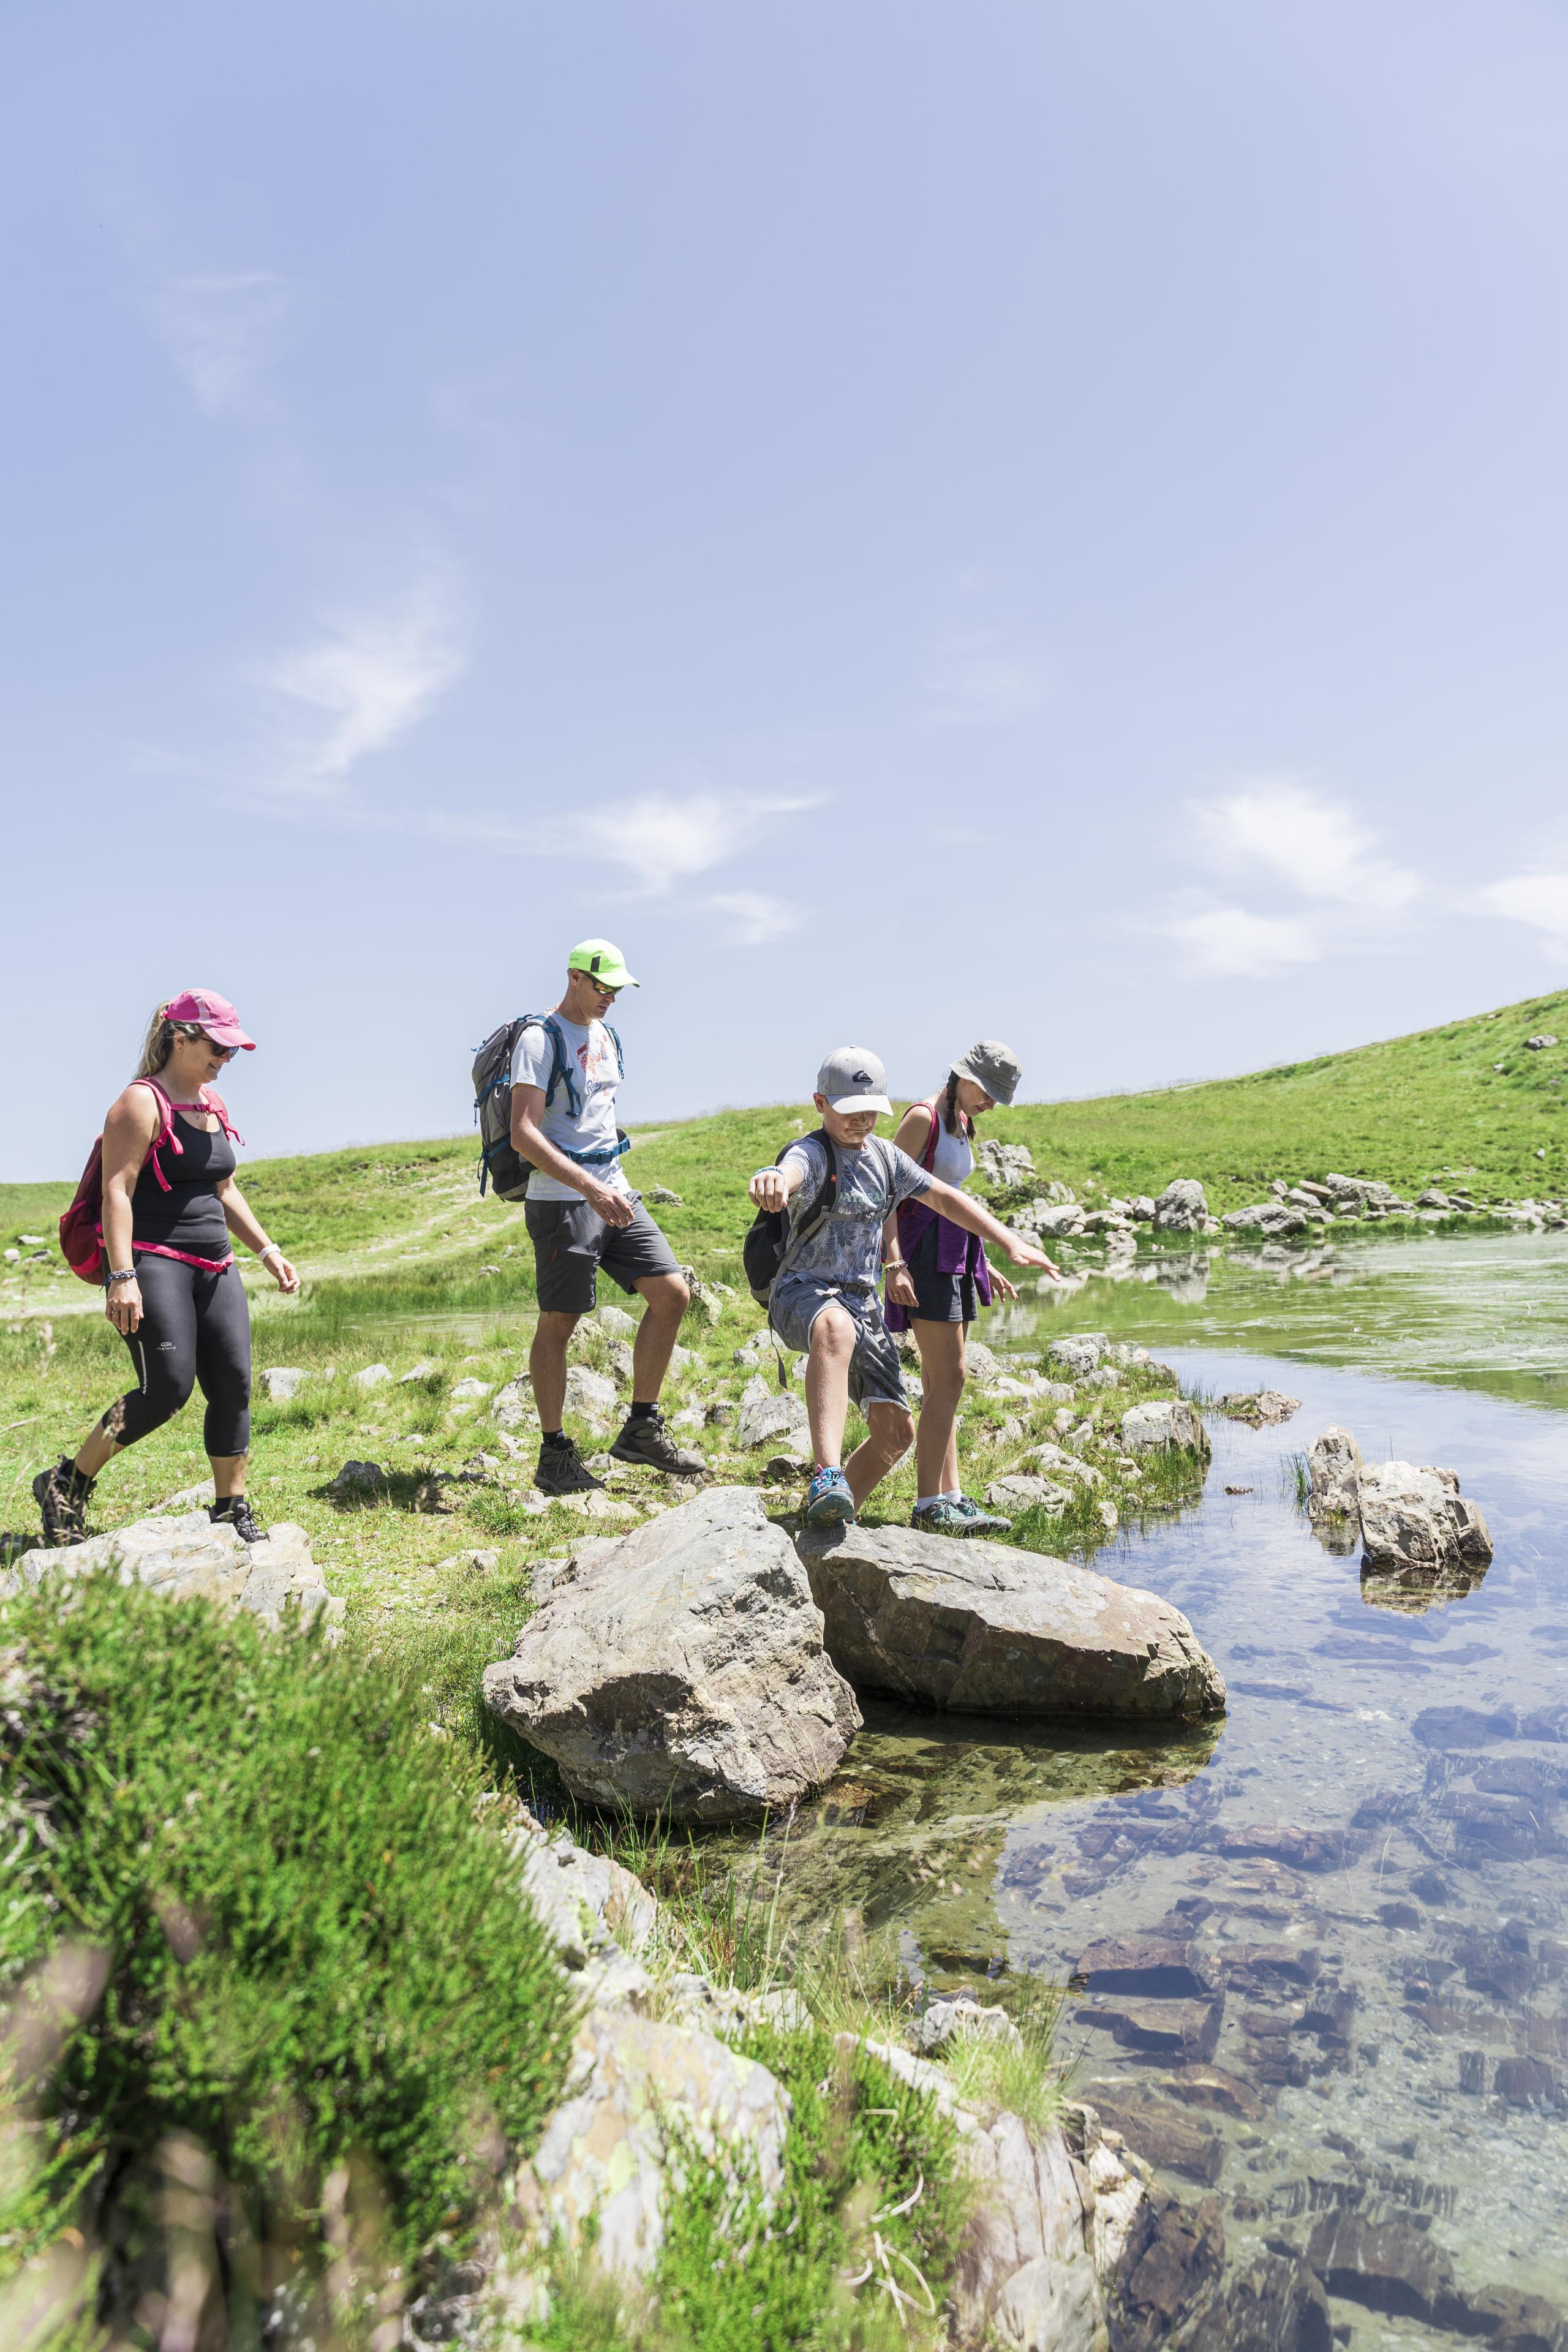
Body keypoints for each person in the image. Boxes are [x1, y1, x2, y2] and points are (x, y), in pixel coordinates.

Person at [32, 991, 299, 1548]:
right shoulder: (139, 1103)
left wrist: (267, 1250)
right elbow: (117, 1191)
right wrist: (122, 1276)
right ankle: (67, 1482)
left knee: (233, 1383)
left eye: (232, 1050)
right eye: (218, 1047)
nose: (226, 1059)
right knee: (167, 1389)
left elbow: (225, 1190)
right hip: (153, 1261)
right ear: (181, 1039)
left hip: (216, 1263)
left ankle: (230, 1507)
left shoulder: (212, 1103)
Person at [748, 1047, 1053, 1531]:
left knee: (896, 1434)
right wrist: (774, 1180)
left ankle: (828, 1521)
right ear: (821, 1103)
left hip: (861, 1303)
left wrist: (1009, 1242)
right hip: (802, 1292)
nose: (862, 1121)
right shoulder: (811, 1153)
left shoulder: (885, 1157)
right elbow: (790, 1171)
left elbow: (945, 1198)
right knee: (834, 1327)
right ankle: (827, 1476)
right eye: (849, 1110)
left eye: (871, 1111)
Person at [510, 939, 705, 1496]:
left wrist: (606, 1183)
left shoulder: (607, 1036)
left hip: (615, 1192)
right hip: (562, 1201)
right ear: (574, 977)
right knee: (560, 1323)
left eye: (618, 990)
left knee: (672, 1293)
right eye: (602, 987)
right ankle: (553, 1455)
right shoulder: (538, 1039)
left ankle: (642, 1427)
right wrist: (590, 1189)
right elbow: (524, 1133)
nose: (611, 998)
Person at [884, 1041, 1056, 1536]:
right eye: (989, 1092)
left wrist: (983, 1262)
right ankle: (927, 1506)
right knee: (952, 1379)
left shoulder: (961, 1120)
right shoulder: (923, 1118)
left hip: (954, 1257)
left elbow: (954, 1199)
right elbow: (885, 1196)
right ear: (964, 1077)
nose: (992, 1104)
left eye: (999, 1097)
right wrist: (894, 1264)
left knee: (943, 1385)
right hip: (922, 1257)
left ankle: (952, 1497)